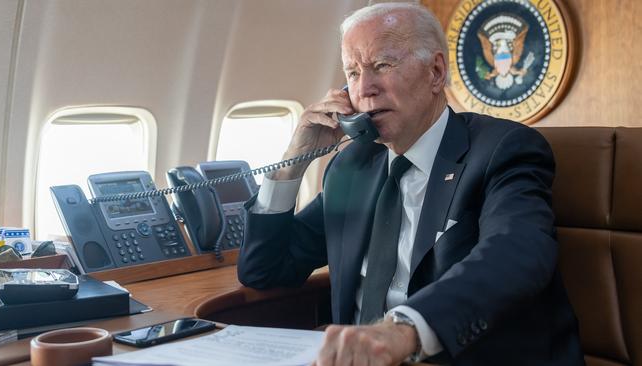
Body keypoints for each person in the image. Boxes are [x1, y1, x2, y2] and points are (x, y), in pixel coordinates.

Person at [238, 3, 584, 365]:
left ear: (435, 72)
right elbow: (264, 270)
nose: (366, 89)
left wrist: (402, 331)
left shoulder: (502, 149)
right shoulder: (352, 166)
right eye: (353, 73)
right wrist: (295, 160)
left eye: (382, 65)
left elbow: (515, 255)